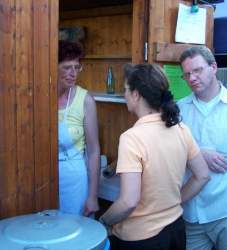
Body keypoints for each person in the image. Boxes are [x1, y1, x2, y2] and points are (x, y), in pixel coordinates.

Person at [99, 63, 210, 250]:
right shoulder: (181, 129)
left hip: (141, 239)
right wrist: (173, 203)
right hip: (175, 229)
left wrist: (103, 220)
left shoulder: (131, 138)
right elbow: (203, 175)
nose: (124, 94)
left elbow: (128, 201)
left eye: (125, 90)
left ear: (136, 95)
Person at [178, 46, 227, 250]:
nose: (191, 78)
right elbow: (168, 150)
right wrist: (198, 153)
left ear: (214, 67)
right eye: (186, 74)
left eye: (197, 70)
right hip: (192, 211)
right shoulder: (179, 109)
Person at [58, 40, 100, 216]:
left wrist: (92, 196)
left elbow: (93, 151)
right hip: (43, 180)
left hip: (75, 180)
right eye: (67, 67)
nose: (73, 73)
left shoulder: (85, 100)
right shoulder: (39, 97)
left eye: (77, 67)